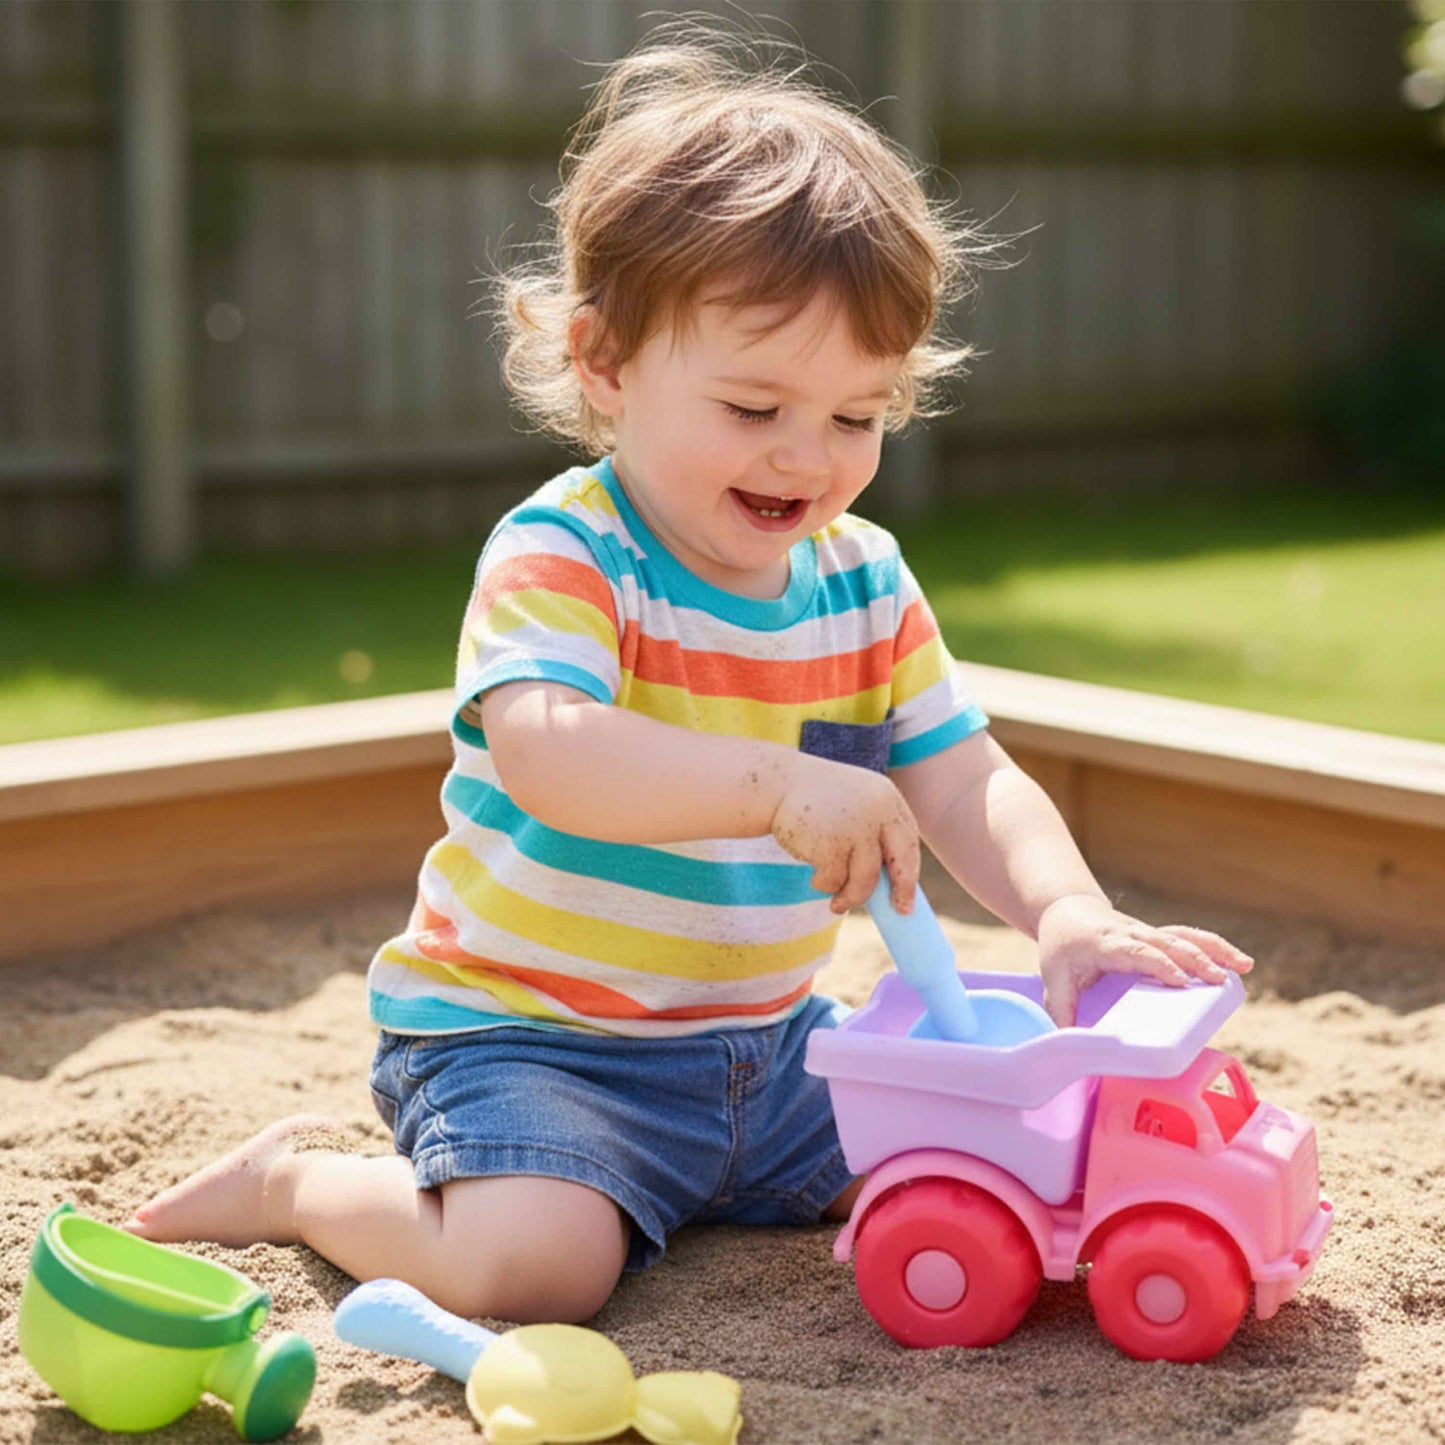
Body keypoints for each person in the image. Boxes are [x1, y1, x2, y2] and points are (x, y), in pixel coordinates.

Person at [126, 27, 1252, 1327]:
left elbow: (960, 772)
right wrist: (773, 786)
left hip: (768, 1046)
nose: (806, 458)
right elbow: (552, 754)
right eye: (753, 407)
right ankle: (302, 1183)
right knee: (538, 1268)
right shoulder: (570, 554)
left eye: (854, 416)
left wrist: (1063, 909)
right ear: (607, 362)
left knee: (973, 1168)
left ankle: (709, 1172)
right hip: (535, 1036)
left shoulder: (863, 579)